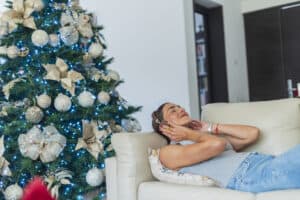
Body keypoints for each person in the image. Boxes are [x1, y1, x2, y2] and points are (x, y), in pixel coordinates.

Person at [151, 102, 300, 193]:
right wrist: (190, 135)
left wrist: (210, 127)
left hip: (265, 163)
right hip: (249, 175)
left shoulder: (203, 137)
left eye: (179, 106)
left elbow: (252, 134)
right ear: (164, 127)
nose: (180, 109)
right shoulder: (168, 152)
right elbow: (217, 144)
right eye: (173, 110)